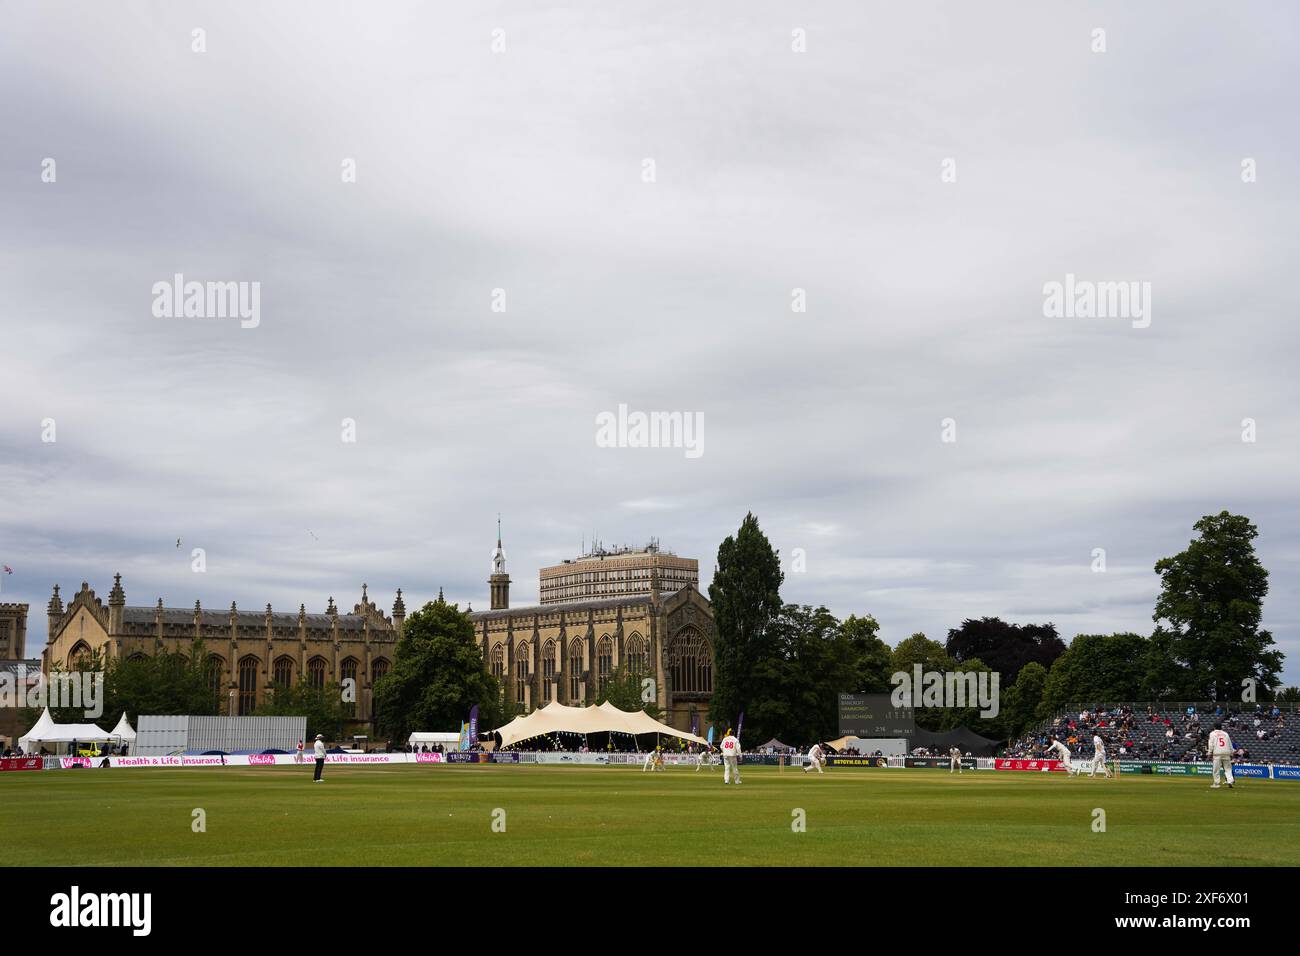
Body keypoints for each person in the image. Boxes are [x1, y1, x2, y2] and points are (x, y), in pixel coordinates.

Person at [1208, 723, 1235, 789]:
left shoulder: (1212, 733)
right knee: (1228, 769)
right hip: (1226, 752)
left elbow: (1211, 744)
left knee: (1216, 770)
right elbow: (1230, 744)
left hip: (1217, 753)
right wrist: (1232, 753)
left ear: (1214, 727)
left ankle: (1216, 783)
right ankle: (1230, 781)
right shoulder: (1226, 734)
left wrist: (1209, 753)